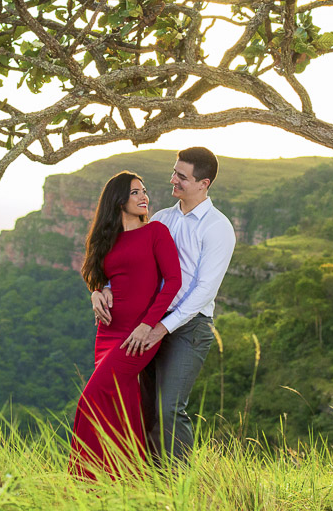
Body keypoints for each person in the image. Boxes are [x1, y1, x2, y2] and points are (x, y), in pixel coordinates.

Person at [91, 147, 236, 462]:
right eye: (174, 172)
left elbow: (204, 290)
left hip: (189, 327)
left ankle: (176, 485)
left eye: (182, 177)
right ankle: (145, 483)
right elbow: (131, 265)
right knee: (142, 407)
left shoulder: (217, 227)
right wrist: (101, 288)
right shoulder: (160, 219)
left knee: (169, 407)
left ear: (204, 183)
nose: (173, 180)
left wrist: (161, 328)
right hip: (148, 320)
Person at [68, 171, 181, 480]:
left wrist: (148, 325)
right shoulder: (107, 238)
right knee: (123, 405)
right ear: (118, 200)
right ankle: (129, 483)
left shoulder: (156, 232)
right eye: (135, 192)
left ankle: (82, 482)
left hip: (139, 334)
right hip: (107, 333)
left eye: (144, 191)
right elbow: (96, 276)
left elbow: (173, 282)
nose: (144, 196)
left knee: (90, 400)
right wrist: (95, 293)